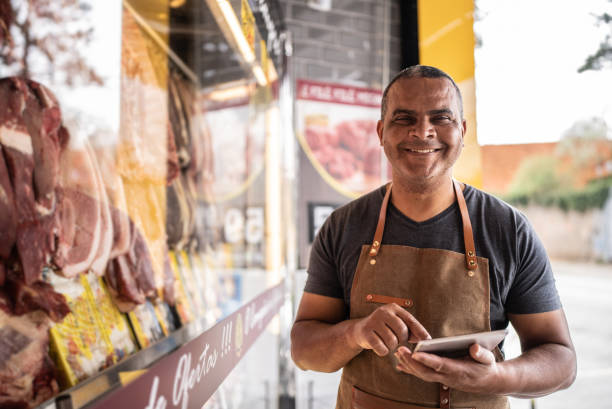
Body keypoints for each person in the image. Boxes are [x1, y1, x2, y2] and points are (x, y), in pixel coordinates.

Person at [290, 65, 576, 409]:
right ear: (381, 132)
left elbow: (561, 361)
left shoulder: (508, 229)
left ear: (462, 130)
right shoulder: (343, 227)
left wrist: (495, 377)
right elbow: (304, 350)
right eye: (404, 119)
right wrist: (356, 333)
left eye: (441, 118)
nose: (423, 132)